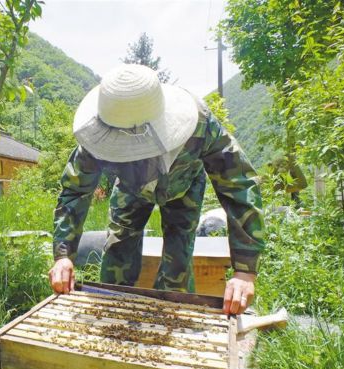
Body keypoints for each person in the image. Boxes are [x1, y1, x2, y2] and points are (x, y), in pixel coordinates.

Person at [48, 64, 265, 315]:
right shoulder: (93, 137)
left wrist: (244, 270)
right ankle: (111, 321)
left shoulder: (201, 124)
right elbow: (75, 192)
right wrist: (63, 254)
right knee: (117, 254)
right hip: (130, 190)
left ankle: (172, 325)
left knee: (177, 264)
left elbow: (238, 184)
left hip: (184, 188)